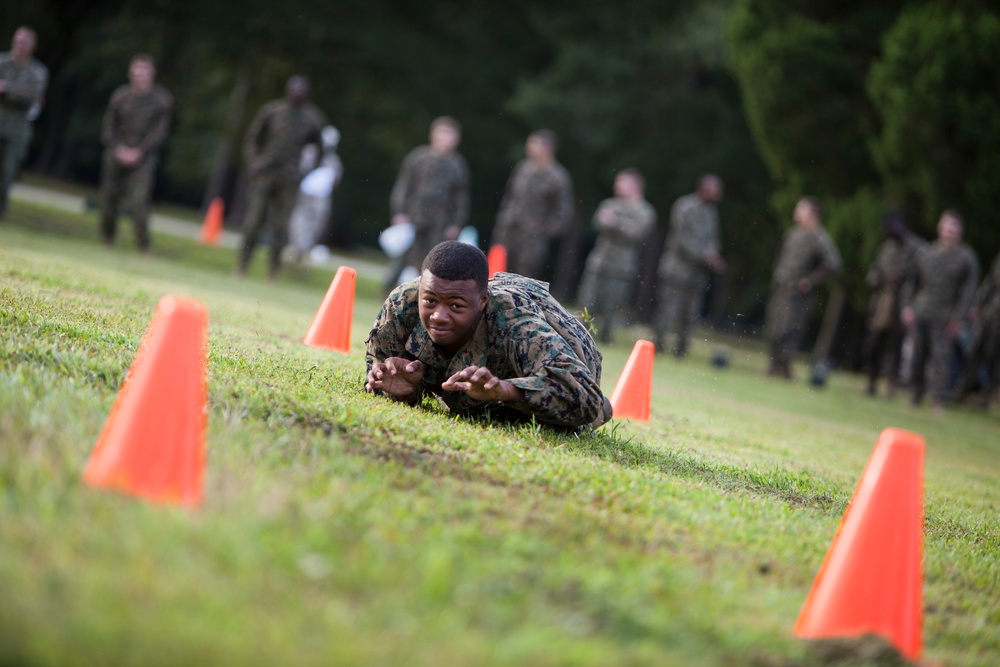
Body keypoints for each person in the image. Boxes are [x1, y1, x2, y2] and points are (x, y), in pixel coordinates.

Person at [365, 241, 613, 429]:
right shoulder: (402, 304)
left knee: (553, 422)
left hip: (566, 363)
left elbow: (585, 401)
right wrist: (406, 391)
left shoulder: (516, 323)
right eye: (430, 301)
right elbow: (376, 372)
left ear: (483, 300)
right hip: (473, 384)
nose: (438, 316)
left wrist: (504, 390)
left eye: (455, 306)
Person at [238, 75, 327, 279]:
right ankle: (243, 263)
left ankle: (273, 269)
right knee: (254, 221)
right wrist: (254, 162)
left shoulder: (312, 118)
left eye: (301, 91)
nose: (296, 94)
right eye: (293, 90)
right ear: (288, 91)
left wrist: (306, 172)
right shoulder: (272, 111)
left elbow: (321, 150)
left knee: (281, 226)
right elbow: (252, 138)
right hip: (265, 173)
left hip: (289, 179)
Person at [901, 210, 980, 409]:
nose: (949, 230)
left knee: (941, 357)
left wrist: (958, 318)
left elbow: (968, 292)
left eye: (954, 227)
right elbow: (912, 283)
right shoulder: (926, 252)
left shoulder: (965, 258)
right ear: (939, 227)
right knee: (918, 354)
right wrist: (907, 307)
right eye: (946, 225)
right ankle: (916, 394)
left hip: (945, 316)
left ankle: (938, 399)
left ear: (960, 230)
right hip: (922, 310)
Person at [383, 116, 470, 291]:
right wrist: (400, 212)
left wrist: (455, 224)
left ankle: (423, 294)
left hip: (440, 221)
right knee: (402, 256)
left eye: (449, 135)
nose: (445, 139)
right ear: (433, 135)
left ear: (456, 139)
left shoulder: (458, 165)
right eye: (442, 133)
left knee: (432, 260)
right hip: (413, 216)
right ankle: (388, 291)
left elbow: (460, 198)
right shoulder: (418, 158)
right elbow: (404, 187)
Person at [99, 54, 172, 252]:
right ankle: (107, 239)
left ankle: (143, 245)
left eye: (145, 69)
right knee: (109, 198)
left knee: (139, 202)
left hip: (144, 158)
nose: (140, 73)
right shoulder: (120, 96)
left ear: (152, 73)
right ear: (130, 71)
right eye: (137, 69)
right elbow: (109, 126)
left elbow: (159, 131)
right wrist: (118, 148)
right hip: (116, 153)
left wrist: (139, 152)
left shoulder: (161, 100)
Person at [764, 196, 842, 379]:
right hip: (781, 289)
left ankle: (784, 368)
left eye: (801, 209)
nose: (796, 212)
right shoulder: (793, 233)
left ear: (812, 213)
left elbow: (833, 263)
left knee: (789, 331)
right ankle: (774, 365)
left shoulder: (818, 237)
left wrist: (810, 280)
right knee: (773, 328)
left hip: (797, 294)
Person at [578, 168, 656, 344]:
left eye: (622, 182)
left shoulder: (645, 211)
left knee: (611, 307)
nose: (617, 186)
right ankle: (581, 336)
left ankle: (605, 338)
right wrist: (622, 225)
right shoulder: (610, 204)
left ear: (635, 186)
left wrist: (615, 223)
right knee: (587, 301)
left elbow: (635, 233)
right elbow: (599, 221)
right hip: (599, 262)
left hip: (621, 267)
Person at [653, 174, 727, 357]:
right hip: (677, 270)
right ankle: (658, 345)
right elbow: (680, 239)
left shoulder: (711, 213)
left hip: (696, 275)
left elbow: (713, 239)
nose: (718, 195)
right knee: (669, 310)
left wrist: (714, 254)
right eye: (714, 190)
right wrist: (705, 257)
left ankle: (681, 350)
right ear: (703, 188)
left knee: (690, 315)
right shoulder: (684, 206)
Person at [491, 130, 574, 279]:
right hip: (509, 230)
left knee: (524, 276)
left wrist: (543, 231)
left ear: (547, 148)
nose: (529, 147)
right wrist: (504, 217)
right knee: (499, 272)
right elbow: (510, 196)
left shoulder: (558, 177)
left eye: (533, 143)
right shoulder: (523, 168)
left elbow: (563, 212)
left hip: (533, 237)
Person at [862, 211, 922, 396]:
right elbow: (876, 269)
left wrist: (903, 277)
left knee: (897, 347)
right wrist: (874, 278)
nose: (889, 232)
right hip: (882, 304)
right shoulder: (886, 247)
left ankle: (892, 386)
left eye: (892, 228)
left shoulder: (916, 248)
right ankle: (871, 382)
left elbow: (920, 278)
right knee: (874, 344)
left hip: (902, 305)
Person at [0, 26, 48, 219]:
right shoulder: (1, 61)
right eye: (17, 40)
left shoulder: (37, 71)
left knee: (7, 173)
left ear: (32, 46)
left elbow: (32, 96)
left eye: (24, 42)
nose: (19, 45)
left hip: (16, 130)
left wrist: (6, 88)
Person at [287, 125, 343, 267]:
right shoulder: (310, 153)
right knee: (299, 220)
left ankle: (304, 249)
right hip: (306, 194)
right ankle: (296, 247)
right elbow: (300, 170)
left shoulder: (333, 161)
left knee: (317, 224)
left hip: (321, 197)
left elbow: (336, 179)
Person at [953, 251, 1000, 409]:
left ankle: (985, 399)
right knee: (974, 355)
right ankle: (961, 394)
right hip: (988, 318)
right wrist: (977, 306)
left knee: (994, 360)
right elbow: (989, 283)